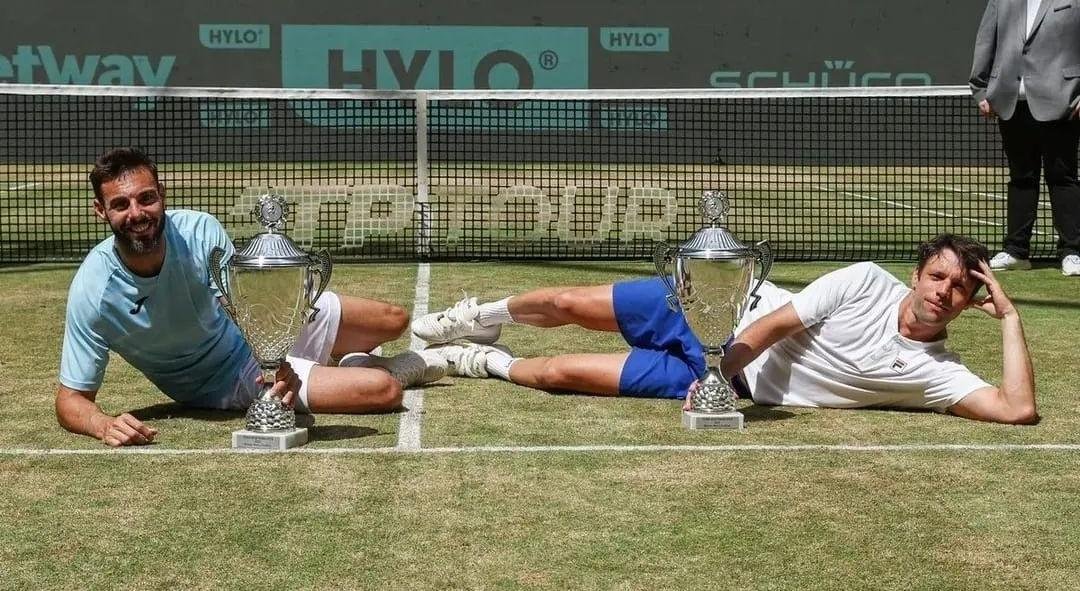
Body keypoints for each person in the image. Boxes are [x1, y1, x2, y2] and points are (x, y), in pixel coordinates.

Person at [413, 234, 1038, 425]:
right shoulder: (868, 280)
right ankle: (479, 317)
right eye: (937, 277)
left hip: (720, 382)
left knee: (558, 373)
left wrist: (1010, 319)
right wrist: (722, 365)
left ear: (967, 303)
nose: (942, 292)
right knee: (569, 299)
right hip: (716, 314)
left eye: (958, 288)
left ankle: (476, 359)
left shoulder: (937, 375)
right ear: (916, 274)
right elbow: (772, 325)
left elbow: (1016, 408)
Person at [56, 148, 446, 447]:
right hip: (226, 377)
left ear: (162, 194)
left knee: (394, 319)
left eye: (146, 198)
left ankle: (336, 361)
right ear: (100, 211)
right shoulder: (93, 290)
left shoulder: (200, 231)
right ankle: (446, 359)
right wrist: (102, 424)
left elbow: (243, 309)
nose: (137, 213)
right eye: (121, 204)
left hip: (261, 325)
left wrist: (278, 356)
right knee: (383, 390)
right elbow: (71, 399)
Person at [969, 0, 1080, 276]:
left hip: (1062, 101)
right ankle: (1016, 251)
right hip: (1011, 103)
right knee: (1021, 178)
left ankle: (1073, 252)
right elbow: (986, 39)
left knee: (1063, 178)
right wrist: (980, 89)